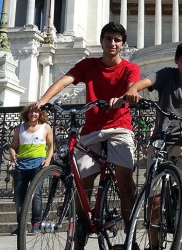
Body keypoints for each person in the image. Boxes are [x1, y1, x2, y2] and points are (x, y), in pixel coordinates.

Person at [35, 22, 140, 250]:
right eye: (108, 38)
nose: (112, 43)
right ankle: (82, 226)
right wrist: (43, 100)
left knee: (124, 182)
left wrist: (126, 95)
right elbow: (66, 80)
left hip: (119, 128)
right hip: (91, 131)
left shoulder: (129, 68)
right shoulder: (88, 65)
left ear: (122, 45)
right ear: (101, 41)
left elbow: (132, 86)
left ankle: (130, 233)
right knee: (83, 182)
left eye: (117, 40)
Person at [122, 40, 182, 250]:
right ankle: (154, 244)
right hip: (161, 141)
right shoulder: (165, 75)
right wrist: (133, 89)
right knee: (154, 196)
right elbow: (145, 82)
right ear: (176, 61)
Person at [8, 104, 54, 235]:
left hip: (38, 164)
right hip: (21, 165)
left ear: (40, 114)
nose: (33, 114)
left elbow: (51, 146)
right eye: (30, 112)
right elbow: (12, 146)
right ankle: (21, 225)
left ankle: (36, 223)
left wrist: (48, 159)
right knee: (19, 196)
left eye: (36, 112)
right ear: (26, 114)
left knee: (36, 194)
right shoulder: (20, 128)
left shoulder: (46, 128)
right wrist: (12, 154)